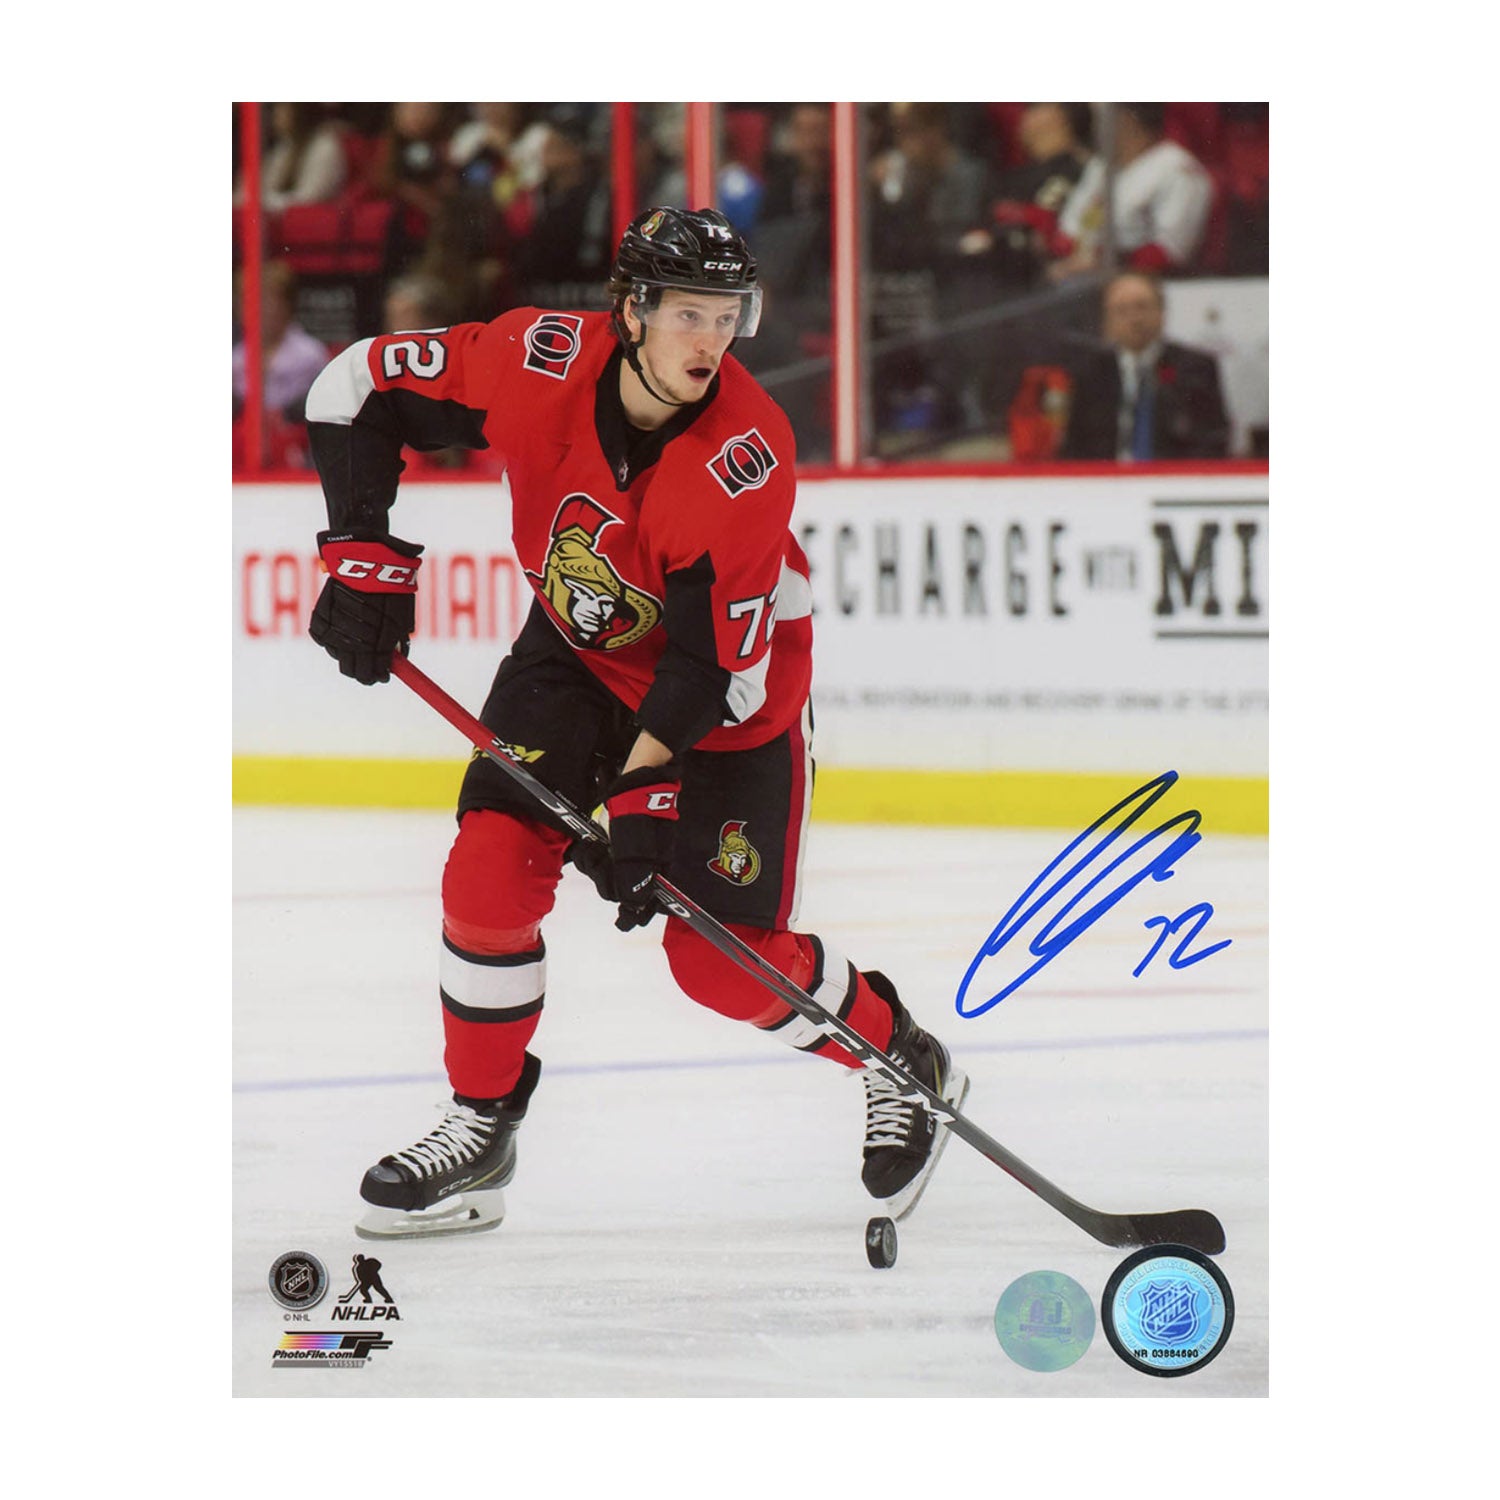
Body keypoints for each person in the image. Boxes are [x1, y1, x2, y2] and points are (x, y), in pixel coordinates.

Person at [303, 206, 969, 1239]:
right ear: (631, 311)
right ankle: (482, 1125)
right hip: (579, 653)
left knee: (718, 965)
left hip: (731, 704)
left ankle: (900, 1056)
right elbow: (355, 386)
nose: (713, 340)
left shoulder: (745, 452)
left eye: (729, 317)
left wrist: (644, 792)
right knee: (487, 873)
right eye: (690, 314)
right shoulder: (534, 358)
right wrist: (362, 557)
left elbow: (711, 667)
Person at [1060, 271, 1229, 461]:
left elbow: (1213, 440)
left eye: (1142, 307)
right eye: (1122, 310)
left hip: (1172, 476)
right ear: (1107, 321)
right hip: (1106, 476)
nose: (1134, 319)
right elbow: (1074, 446)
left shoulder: (1195, 367)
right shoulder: (1090, 372)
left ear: (1162, 312)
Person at [1050, 103, 1215, 279]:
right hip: (1085, 276)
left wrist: (1099, 261)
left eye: (1101, 118)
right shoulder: (1100, 165)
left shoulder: (1177, 167)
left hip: (1149, 282)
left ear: (1126, 120)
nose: (1095, 127)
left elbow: (1169, 251)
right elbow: (1067, 232)